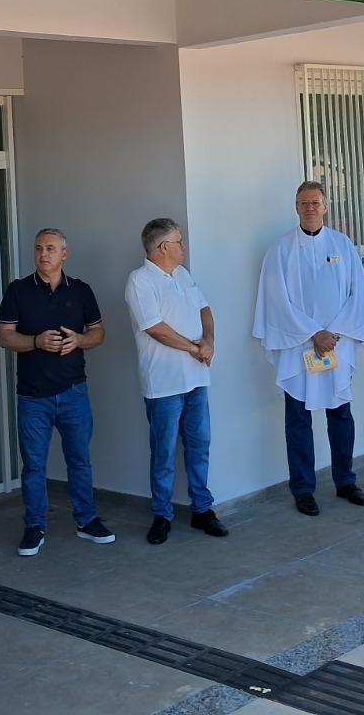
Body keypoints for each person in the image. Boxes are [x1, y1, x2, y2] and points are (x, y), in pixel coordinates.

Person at [253, 182, 364, 516]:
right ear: (296, 207)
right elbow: (276, 301)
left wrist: (331, 334)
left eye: (315, 202)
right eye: (303, 202)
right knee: (298, 418)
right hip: (298, 347)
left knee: (341, 415)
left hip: (336, 343)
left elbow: (357, 294)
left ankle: (346, 481)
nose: (310, 208)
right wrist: (313, 333)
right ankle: (303, 489)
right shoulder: (280, 250)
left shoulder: (342, 244)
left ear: (326, 206)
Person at [0, 229, 114, 555]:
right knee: (34, 466)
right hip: (33, 396)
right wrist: (36, 341)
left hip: (74, 391)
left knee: (80, 461)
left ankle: (86, 520)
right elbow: (5, 336)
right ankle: (35, 526)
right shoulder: (18, 290)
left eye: (50, 248)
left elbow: (99, 333)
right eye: (38, 248)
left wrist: (79, 340)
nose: (43, 254)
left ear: (64, 254)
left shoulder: (80, 290)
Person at [124, 218, 228, 543]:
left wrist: (208, 340)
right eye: (179, 241)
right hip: (164, 384)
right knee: (164, 452)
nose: (184, 247)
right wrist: (195, 349)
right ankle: (162, 515)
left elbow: (205, 308)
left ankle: (202, 510)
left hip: (196, 379)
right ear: (163, 247)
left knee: (200, 446)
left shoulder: (183, 274)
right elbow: (155, 328)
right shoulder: (140, 281)